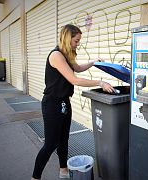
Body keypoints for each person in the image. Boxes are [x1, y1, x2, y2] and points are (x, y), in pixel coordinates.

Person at [31, 24, 115, 180]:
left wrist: (93, 62)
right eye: (76, 41)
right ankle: (35, 177)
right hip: (52, 104)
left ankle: (63, 171)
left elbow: (77, 68)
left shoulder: (67, 55)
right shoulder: (56, 55)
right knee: (50, 144)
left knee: (64, 140)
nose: (78, 44)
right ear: (68, 38)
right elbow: (74, 79)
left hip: (64, 102)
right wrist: (100, 82)